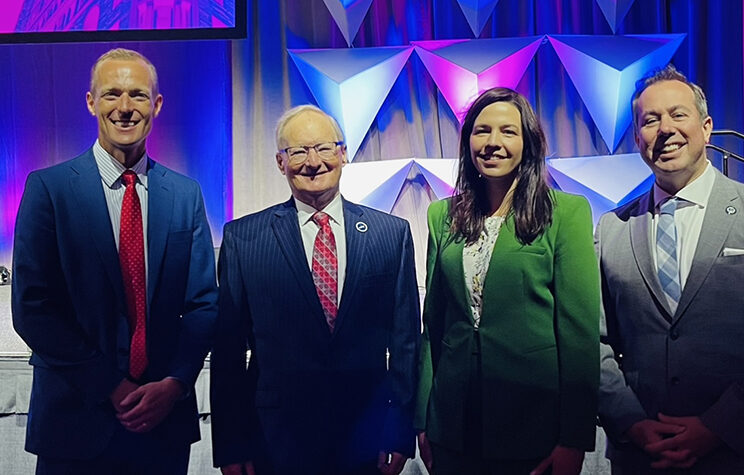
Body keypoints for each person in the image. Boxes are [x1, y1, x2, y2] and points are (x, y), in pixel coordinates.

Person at [597, 65, 744, 474]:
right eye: (650, 120)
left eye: (678, 115)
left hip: (739, 455)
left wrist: (716, 428)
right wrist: (633, 423)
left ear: (707, 127)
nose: (665, 129)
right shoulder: (611, 229)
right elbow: (594, 343)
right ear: (637, 138)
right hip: (642, 459)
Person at [11, 48, 218, 474]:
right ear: (91, 102)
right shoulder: (48, 190)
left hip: (163, 424)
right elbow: (33, 308)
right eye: (112, 95)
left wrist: (176, 383)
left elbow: (203, 305)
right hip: (74, 422)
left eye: (138, 96)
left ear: (156, 105)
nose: (125, 108)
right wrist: (112, 386)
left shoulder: (185, 194)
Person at [210, 104, 420, 475]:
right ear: (280, 162)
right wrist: (230, 444)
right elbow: (227, 353)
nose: (313, 161)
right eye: (298, 151)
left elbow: (405, 344)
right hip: (274, 441)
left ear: (342, 154)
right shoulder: (243, 238)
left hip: (366, 438)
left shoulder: (392, 234)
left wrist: (399, 430)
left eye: (324, 148)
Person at [415, 87, 601, 475]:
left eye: (508, 132)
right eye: (482, 131)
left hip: (532, 425)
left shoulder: (566, 213)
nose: (493, 143)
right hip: (453, 427)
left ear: (529, 143)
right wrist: (423, 422)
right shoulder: (440, 216)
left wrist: (574, 439)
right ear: (467, 142)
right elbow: (434, 326)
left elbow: (579, 333)